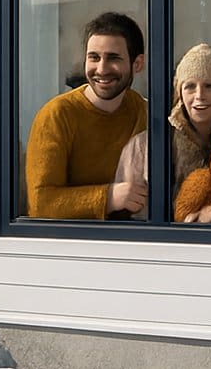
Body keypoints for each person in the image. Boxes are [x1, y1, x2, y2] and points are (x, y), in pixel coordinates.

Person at [24, 12, 149, 219]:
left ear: (138, 64)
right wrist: (108, 197)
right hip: (69, 247)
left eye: (113, 58)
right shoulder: (55, 116)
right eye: (94, 57)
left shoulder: (144, 112)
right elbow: (41, 204)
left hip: (133, 242)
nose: (101, 69)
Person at [112, 43, 211, 220]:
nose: (199, 95)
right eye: (190, 86)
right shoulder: (144, 146)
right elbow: (126, 216)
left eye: (209, 86)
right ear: (180, 93)